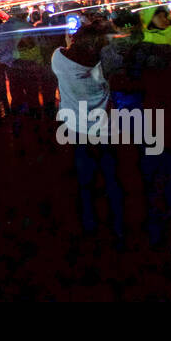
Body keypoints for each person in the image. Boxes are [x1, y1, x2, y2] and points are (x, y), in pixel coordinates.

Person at [51, 16, 124, 241]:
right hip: (105, 130)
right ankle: (118, 226)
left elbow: (65, 48)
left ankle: (89, 224)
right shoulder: (104, 68)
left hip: (75, 129)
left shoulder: (58, 59)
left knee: (85, 181)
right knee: (113, 179)